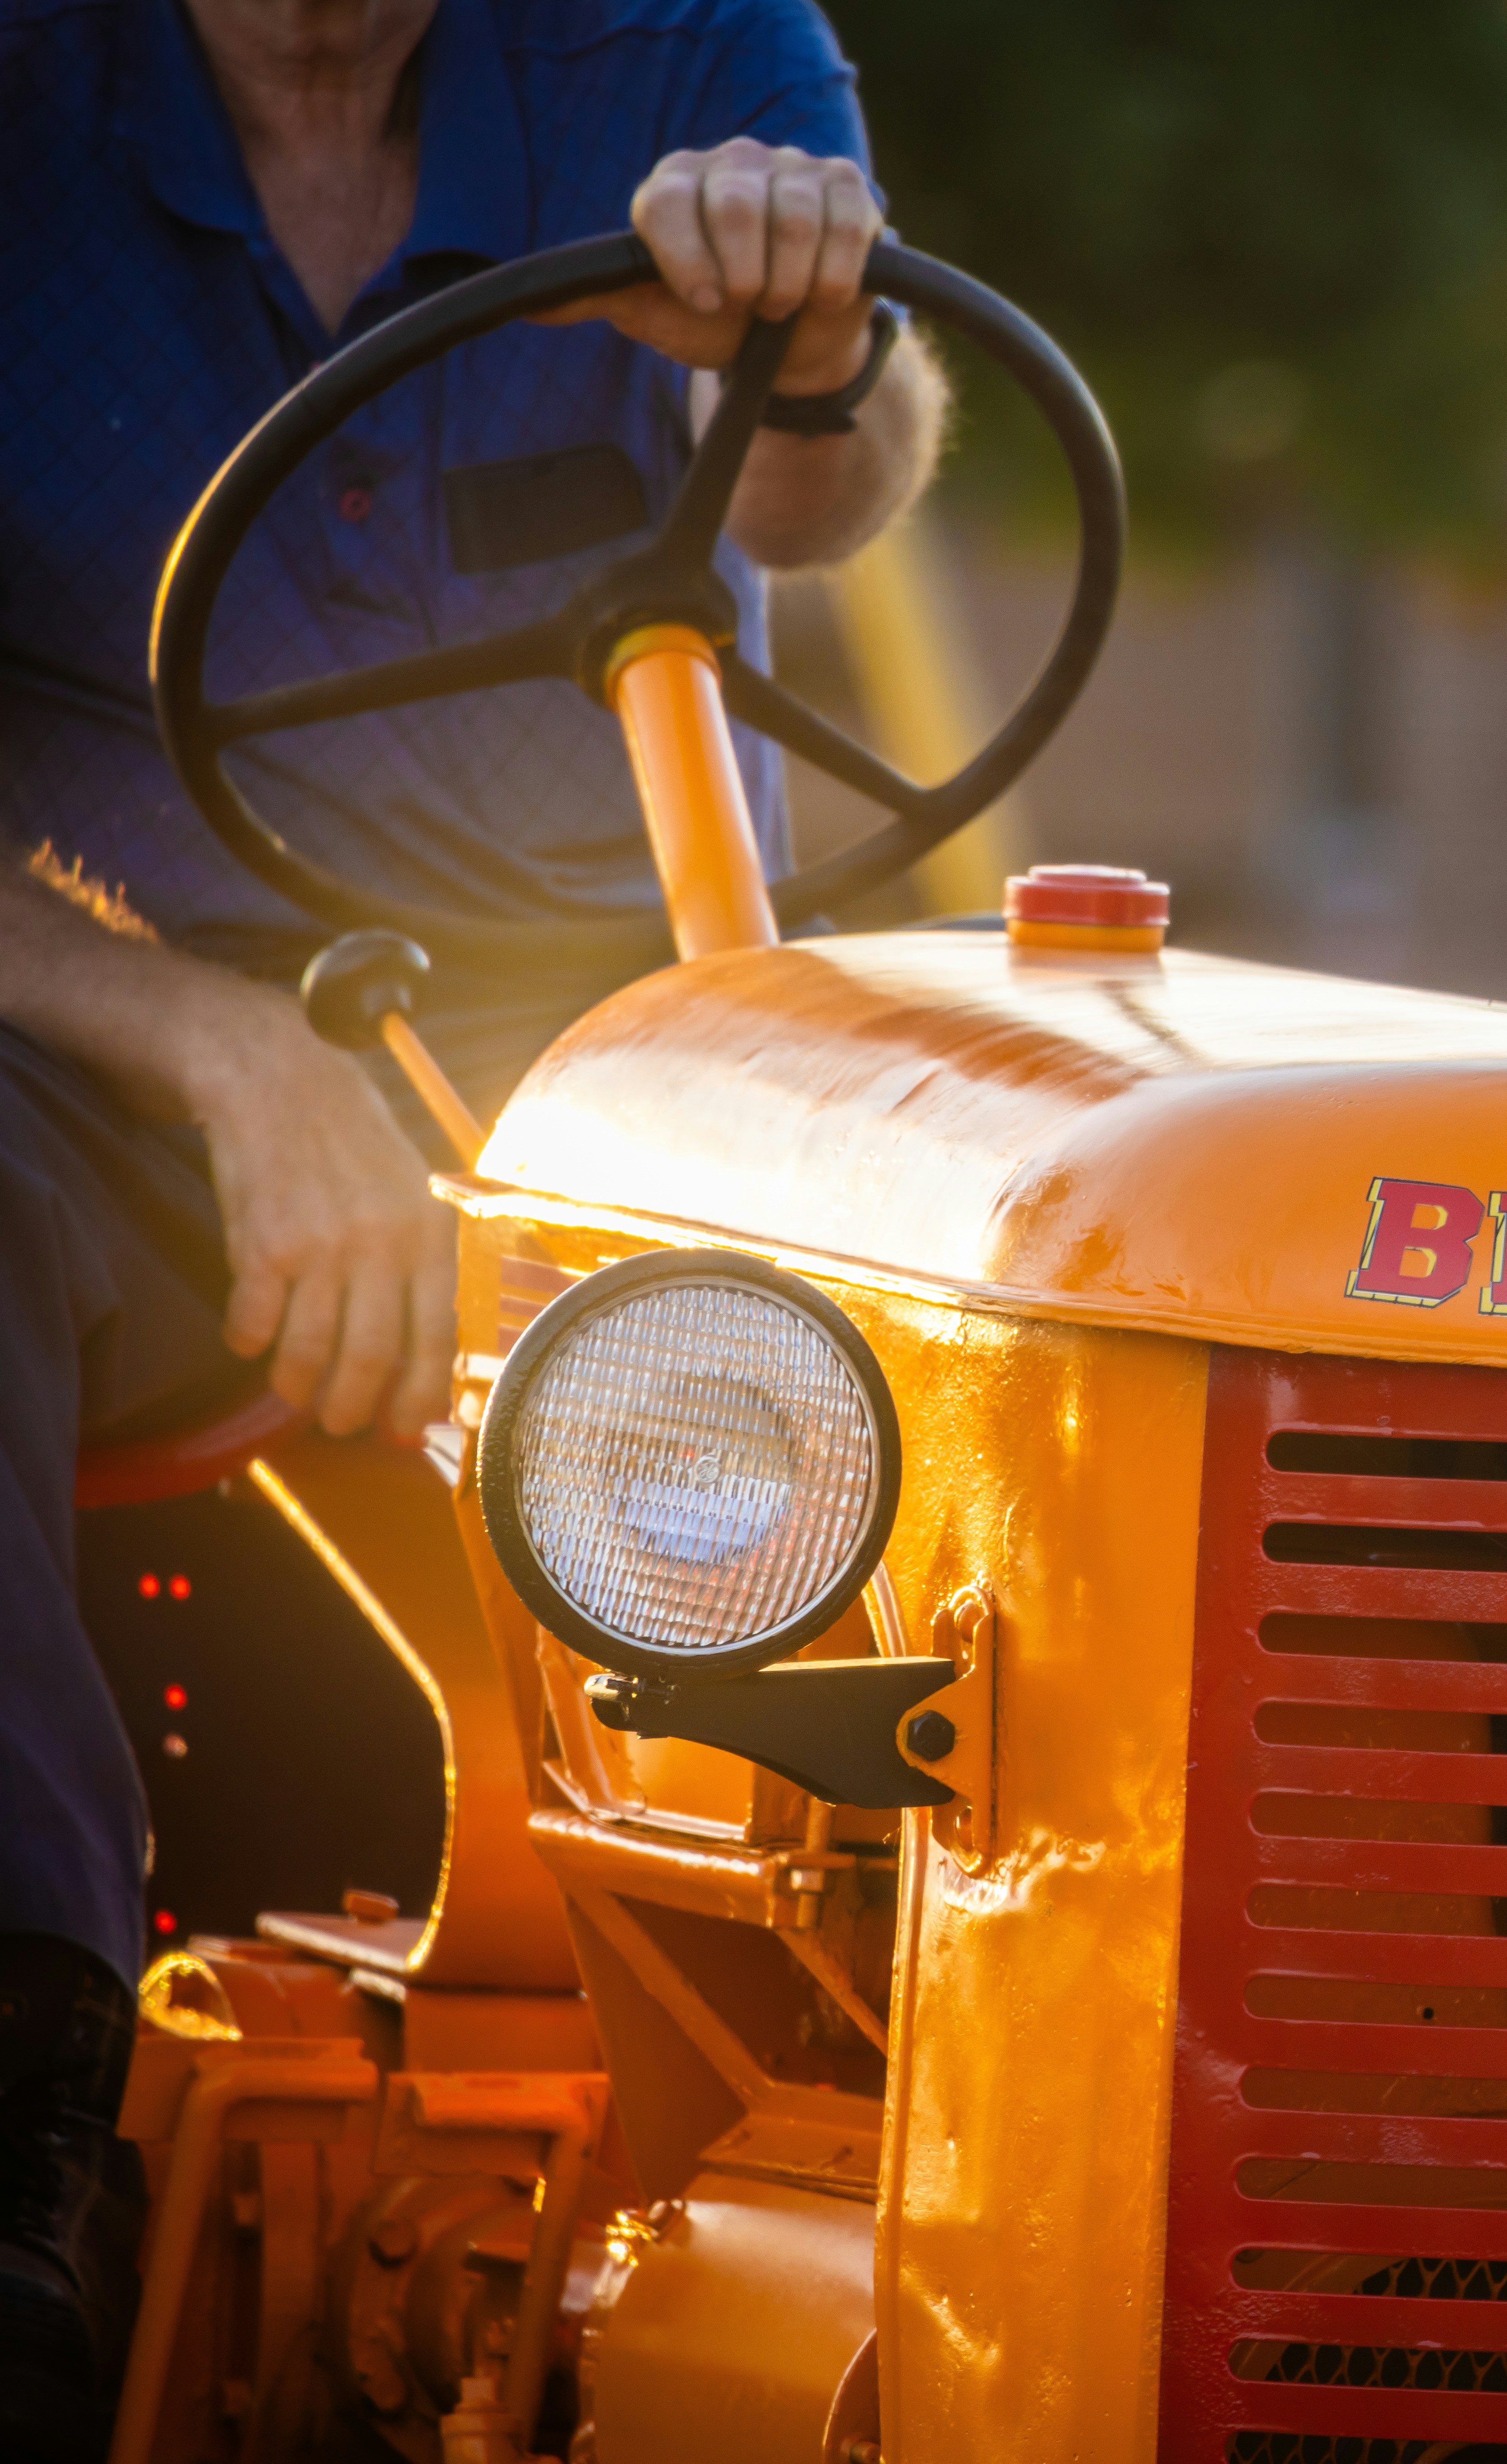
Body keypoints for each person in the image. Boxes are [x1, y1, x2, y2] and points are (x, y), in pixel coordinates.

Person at [0, 1, 941, 2445]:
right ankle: (13, 2110)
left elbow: (838, 486)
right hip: (133, 1030)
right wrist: (223, 1050)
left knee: (1002, 1305)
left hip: (642, 1016)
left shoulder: (681, 38)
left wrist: (820, 344)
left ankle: (972, 2107)